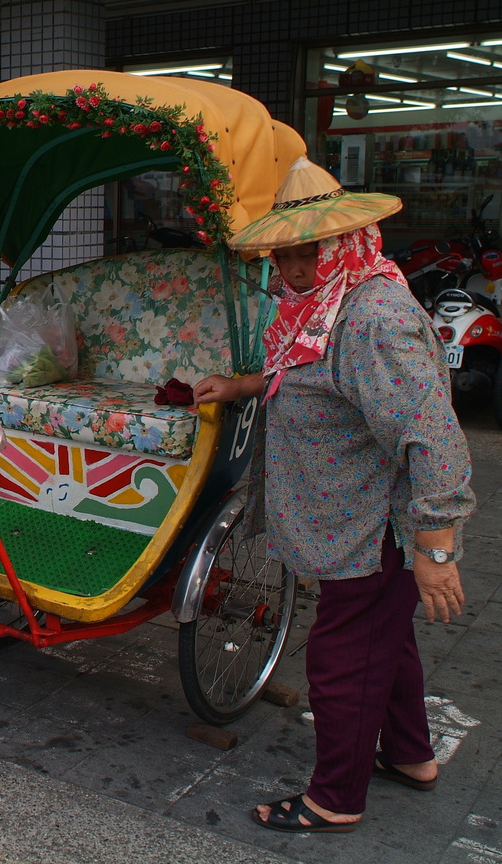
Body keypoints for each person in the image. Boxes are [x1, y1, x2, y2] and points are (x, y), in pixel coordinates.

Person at [193, 157, 475, 834]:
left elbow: (432, 435)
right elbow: (312, 378)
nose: (291, 269)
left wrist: (434, 546)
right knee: (384, 640)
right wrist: (240, 387)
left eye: (306, 252)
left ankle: (334, 798)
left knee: (341, 657)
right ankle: (410, 756)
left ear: (344, 243)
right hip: (344, 519)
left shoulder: (370, 316)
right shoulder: (323, 305)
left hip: (372, 529)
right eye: (283, 255)